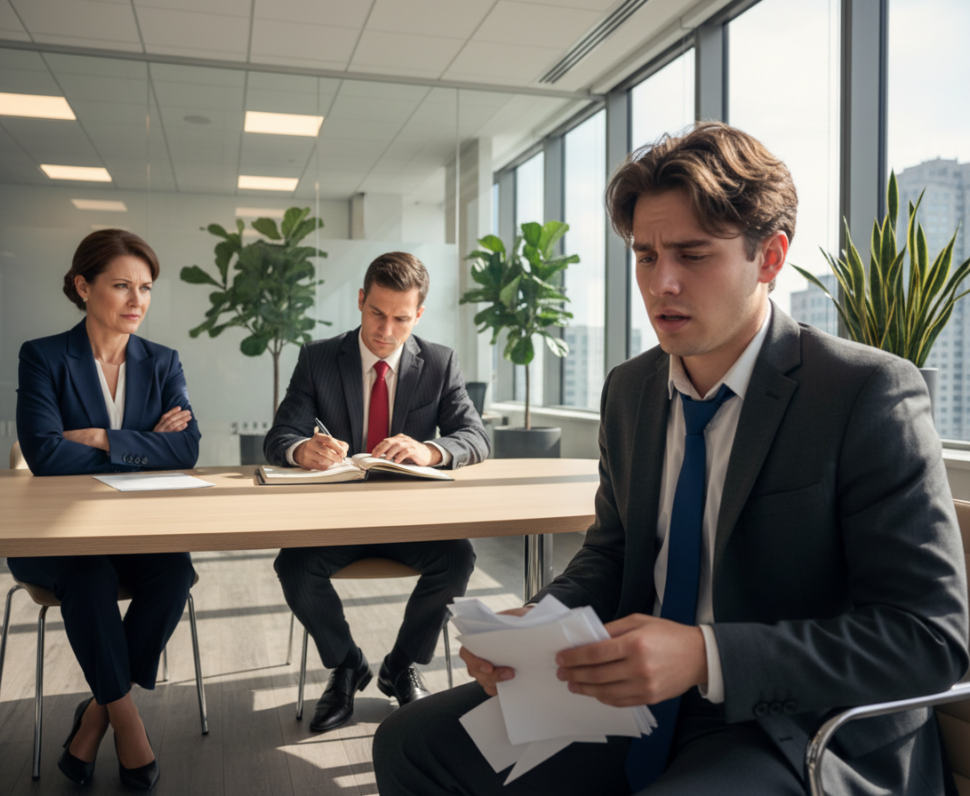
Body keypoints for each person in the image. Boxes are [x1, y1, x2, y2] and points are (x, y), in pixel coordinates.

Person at [372, 123, 969, 795]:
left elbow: (929, 640)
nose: (663, 283)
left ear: (769, 258)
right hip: (629, 701)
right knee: (410, 743)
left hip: (791, 725)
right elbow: (612, 555)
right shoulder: (630, 390)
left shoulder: (863, 393)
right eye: (646, 255)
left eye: (692, 254)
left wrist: (706, 655)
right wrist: (535, 624)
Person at [264, 251, 489, 733]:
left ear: (419, 315)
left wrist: (430, 451)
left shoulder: (439, 363)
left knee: (458, 559)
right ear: (361, 300)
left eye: (401, 318)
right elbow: (280, 436)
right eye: (376, 313)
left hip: (410, 521)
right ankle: (347, 666)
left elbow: (476, 437)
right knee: (295, 567)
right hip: (337, 522)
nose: (386, 330)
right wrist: (304, 449)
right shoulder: (319, 357)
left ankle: (400, 665)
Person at [10, 228, 200, 790]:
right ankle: (127, 721)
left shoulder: (163, 362)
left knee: (174, 570)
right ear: (82, 286)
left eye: (145, 287)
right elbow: (44, 454)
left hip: (133, 533)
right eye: (121, 285)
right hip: (55, 539)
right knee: (88, 575)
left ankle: (94, 716)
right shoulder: (44, 357)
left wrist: (98, 438)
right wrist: (143, 444)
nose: (137, 300)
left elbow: (187, 450)